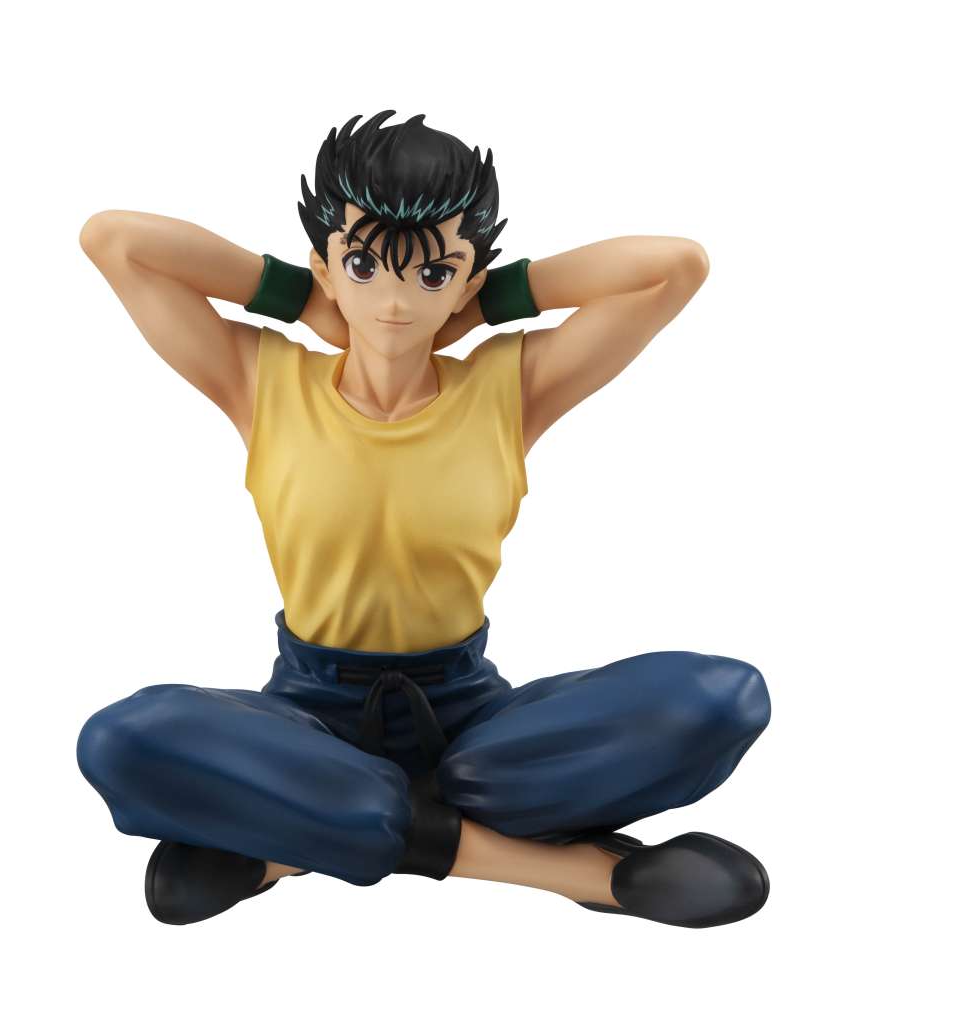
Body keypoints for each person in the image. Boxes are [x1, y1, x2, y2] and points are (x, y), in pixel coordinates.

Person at [76, 110, 772, 929]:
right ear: (326, 266)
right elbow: (115, 240)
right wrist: (303, 300)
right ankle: (566, 870)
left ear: (469, 281)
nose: (395, 302)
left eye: (432, 274)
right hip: (307, 714)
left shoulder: (512, 388)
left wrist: (486, 307)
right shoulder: (258, 379)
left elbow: (672, 267)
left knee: (719, 697)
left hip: (472, 721)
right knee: (123, 738)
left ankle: (289, 838)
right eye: (364, 265)